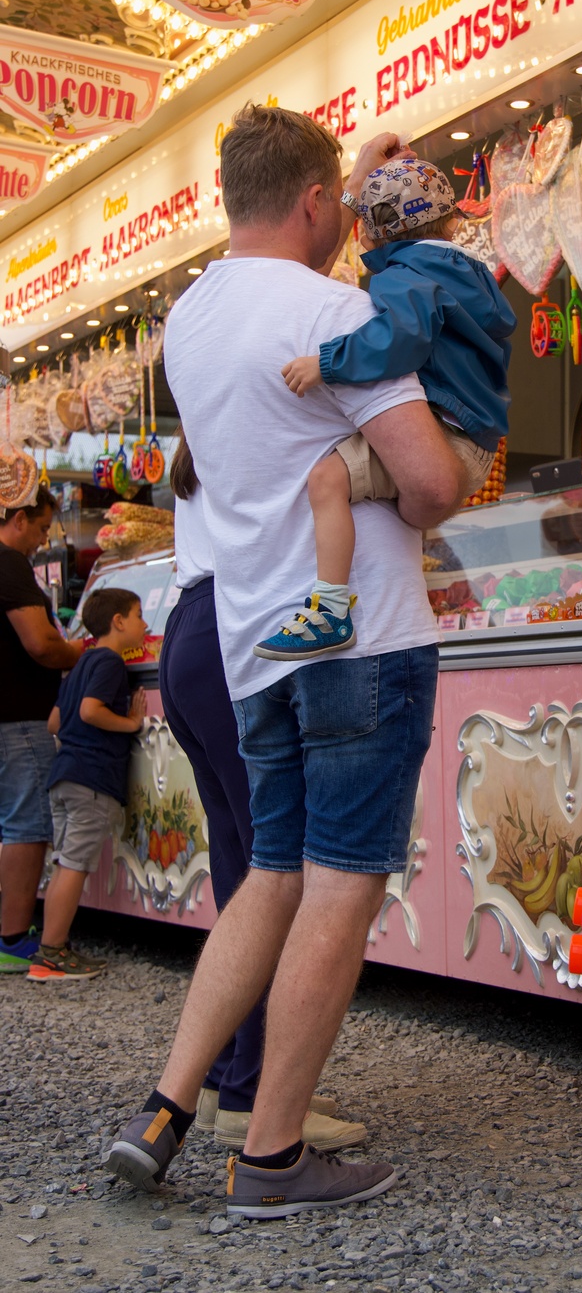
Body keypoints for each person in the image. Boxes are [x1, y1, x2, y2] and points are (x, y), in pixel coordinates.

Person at [107, 105, 464, 1218]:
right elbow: (435, 485)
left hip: (252, 633)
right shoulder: (332, 309)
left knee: (270, 876)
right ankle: (269, 1158)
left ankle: (166, 1110)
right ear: (316, 201)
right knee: (341, 889)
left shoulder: (192, 319)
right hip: (358, 637)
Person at [160, 433, 364, 1152]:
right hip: (235, 624)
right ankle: (252, 1095)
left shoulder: (197, 442)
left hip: (187, 628)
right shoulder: (263, 419)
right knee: (277, 871)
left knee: (242, 868)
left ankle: (228, 1077)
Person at [258, 156, 515, 660]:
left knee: (326, 481)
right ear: (450, 221)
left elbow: (400, 336)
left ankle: (330, 610)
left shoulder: (404, 275)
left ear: (374, 237)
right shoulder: (471, 272)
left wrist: (325, 363)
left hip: (441, 433)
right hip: (476, 438)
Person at [26, 588, 148, 980]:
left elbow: (55, 723)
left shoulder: (79, 664)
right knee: (75, 865)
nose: (144, 624)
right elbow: (89, 711)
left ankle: (52, 947)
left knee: (65, 862)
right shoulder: (111, 662)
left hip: (63, 774)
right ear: (118, 622)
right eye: (138, 615)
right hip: (91, 779)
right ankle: (51, 953)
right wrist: (130, 723)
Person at [0, 489, 84, 973]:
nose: (42, 539)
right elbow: (40, 642)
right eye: (40, 528)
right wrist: (84, 655)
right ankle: (13, 937)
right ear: (16, 520)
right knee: (27, 827)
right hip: (17, 719)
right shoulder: (9, 565)